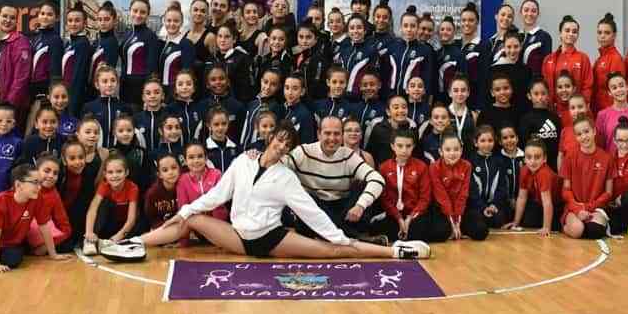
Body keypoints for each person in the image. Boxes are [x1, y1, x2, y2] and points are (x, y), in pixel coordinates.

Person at [128, 123, 431, 260]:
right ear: (270, 137)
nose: (282, 145)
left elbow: (309, 212)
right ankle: (131, 244)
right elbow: (216, 196)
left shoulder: (285, 177)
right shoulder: (242, 162)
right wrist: (184, 210)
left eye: (288, 143)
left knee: (332, 251)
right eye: (279, 139)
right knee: (190, 217)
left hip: (271, 239)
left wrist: (337, 236)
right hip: (238, 238)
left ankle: (395, 251)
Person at [283, 115, 386, 240]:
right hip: (313, 210)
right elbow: (278, 167)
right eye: (327, 133)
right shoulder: (303, 152)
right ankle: (355, 238)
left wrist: (360, 205)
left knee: (362, 186)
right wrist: (257, 157)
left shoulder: (349, 155)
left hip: (341, 210)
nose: (332, 138)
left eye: (336, 134)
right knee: (305, 197)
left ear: (342, 135)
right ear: (319, 134)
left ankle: (330, 236)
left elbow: (377, 179)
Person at [374, 127, 448, 243]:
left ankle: (405, 234)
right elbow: (385, 198)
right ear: (392, 146)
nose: (404, 150)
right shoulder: (384, 167)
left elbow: (425, 198)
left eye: (408, 146)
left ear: (413, 146)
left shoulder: (421, 166)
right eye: (400, 146)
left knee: (440, 232)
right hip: (394, 214)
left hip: (415, 214)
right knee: (376, 228)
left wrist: (409, 218)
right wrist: (398, 218)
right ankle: (403, 233)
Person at [559, 117, 612, 239]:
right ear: (576, 137)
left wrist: (590, 207)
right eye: (579, 134)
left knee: (595, 231)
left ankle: (586, 226)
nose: (584, 136)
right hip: (574, 208)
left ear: (594, 131)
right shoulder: (570, 157)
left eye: (586, 131)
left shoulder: (606, 158)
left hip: (596, 207)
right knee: (578, 231)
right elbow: (565, 190)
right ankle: (566, 226)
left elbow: (608, 192)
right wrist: (578, 209)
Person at [82, 152, 140, 252]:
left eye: (119, 171)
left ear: (126, 173)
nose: (115, 176)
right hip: (110, 223)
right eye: (110, 172)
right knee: (104, 204)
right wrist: (89, 232)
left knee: (139, 225)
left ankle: (113, 241)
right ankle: (90, 241)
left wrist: (117, 237)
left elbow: (131, 219)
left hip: (125, 226)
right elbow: (93, 209)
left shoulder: (132, 187)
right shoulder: (104, 186)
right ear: (105, 174)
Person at [506, 139, 558, 233]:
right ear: (524, 158)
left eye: (537, 157)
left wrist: (546, 227)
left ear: (545, 158)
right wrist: (516, 222)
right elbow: (522, 197)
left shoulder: (544, 174)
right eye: (529, 157)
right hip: (539, 203)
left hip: (557, 205)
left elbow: (547, 202)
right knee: (528, 222)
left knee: (553, 226)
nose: (532, 161)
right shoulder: (524, 170)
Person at [542, 15, 593, 111]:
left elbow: (587, 87)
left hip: (575, 111)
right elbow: (545, 87)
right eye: (567, 30)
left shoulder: (583, 58)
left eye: (574, 32)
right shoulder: (548, 59)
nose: (571, 34)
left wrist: (581, 107)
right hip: (553, 111)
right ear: (560, 33)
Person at [0, 4, 32, 124]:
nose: (8, 20)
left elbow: (21, 78)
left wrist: (8, 105)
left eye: (12, 18)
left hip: (8, 105)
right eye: (4, 16)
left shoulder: (21, 43)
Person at [120, 0, 161, 107]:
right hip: (124, 86)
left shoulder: (150, 36)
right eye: (135, 11)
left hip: (139, 89)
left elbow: (152, 67)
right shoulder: (128, 34)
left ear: (148, 15)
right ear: (130, 11)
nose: (138, 15)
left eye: (142, 12)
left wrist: (147, 93)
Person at [27, 154, 72, 254]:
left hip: (41, 237)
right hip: (19, 235)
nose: (51, 176)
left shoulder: (54, 195)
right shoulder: (25, 187)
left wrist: (45, 247)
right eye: (46, 171)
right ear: (36, 171)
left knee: (68, 244)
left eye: (55, 173)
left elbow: (66, 228)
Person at [594, 72, 628, 149]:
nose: (619, 90)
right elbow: (600, 144)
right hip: (611, 160)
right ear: (609, 92)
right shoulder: (602, 115)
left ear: (627, 87)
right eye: (614, 88)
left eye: (621, 86)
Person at [177, 143, 226, 222]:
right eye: (191, 157)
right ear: (185, 161)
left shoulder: (216, 174)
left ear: (206, 158)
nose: (196, 161)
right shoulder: (182, 180)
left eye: (200, 156)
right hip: (194, 224)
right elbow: (183, 208)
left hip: (217, 223)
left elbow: (219, 205)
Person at [61, 1, 93, 116]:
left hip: (74, 96)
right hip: (64, 92)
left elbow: (78, 77)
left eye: (77, 21)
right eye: (70, 21)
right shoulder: (69, 42)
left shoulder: (83, 44)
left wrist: (72, 102)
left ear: (84, 23)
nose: (73, 24)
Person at [591, 13, 626, 113]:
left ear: (614, 35)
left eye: (607, 33)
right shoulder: (600, 58)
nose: (602, 36)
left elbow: (617, 91)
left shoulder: (615, 59)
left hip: (609, 110)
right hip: (598, 109)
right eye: (599, 32)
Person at [519, 0, 553, 80]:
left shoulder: (544, 37)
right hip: (517, 84)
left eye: (533, 11)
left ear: (538, 14)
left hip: (535, 85)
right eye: (526, 10)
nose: (529, 14)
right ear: (520, 13)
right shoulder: (516, 35)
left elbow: (546, 67)